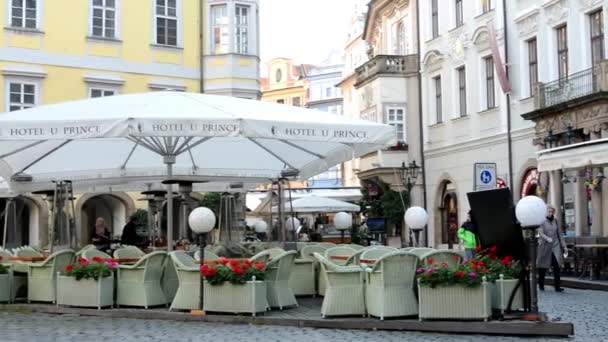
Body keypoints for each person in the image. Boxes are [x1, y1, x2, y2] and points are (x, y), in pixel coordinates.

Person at [537, 205, 567, 292]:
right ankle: (541, 284)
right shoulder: (541, 221)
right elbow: (540, 233)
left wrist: (564, 246)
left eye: (552, 211)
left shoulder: (556, 221)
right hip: (545, 245)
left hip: (555, 246)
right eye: (548, 211)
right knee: (542, 267)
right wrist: (547, 238)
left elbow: (560, 235)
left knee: (556, 266)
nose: (550, 213)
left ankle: (557, 286)